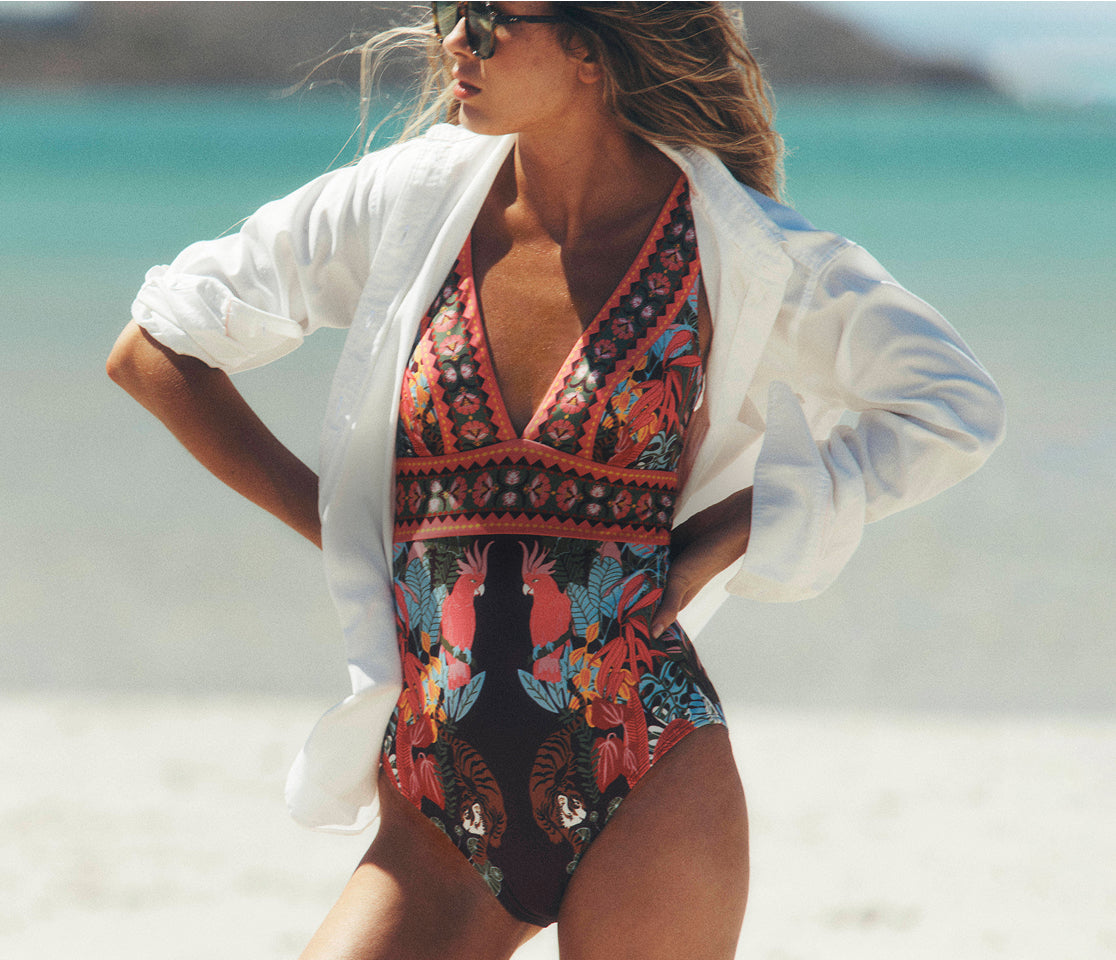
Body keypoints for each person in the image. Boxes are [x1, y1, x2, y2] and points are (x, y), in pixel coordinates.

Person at [106, 3, 1005, 958]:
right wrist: (343, 536)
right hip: (436, 793)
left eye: (493, 19)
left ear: (589, 47)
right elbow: (155, 348)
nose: (457, 41)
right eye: (455, 12)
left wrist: (747, 521)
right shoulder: (412, 202)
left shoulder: (735, 247)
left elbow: (951, 405)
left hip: (647, 761)